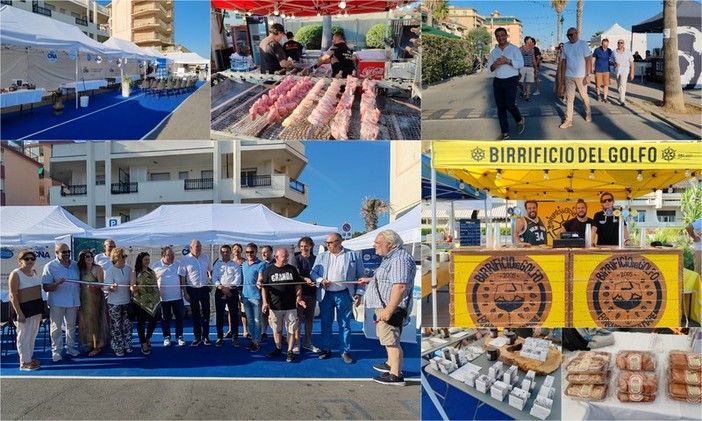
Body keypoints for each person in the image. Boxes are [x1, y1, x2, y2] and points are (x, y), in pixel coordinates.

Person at [359, 230, 416, 386]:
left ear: (389, 244)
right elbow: (390, 279)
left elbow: (400, 286)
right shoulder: (392, 258)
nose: (374, 246)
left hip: (390, 308)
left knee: (391, 342)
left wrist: (388, 310)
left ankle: (395, 375)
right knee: (388, 340)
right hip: (385, 306)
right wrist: (370, 280)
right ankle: (391, 365)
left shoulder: (399, 259)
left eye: (377, 243)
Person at [311, 233, 365, 364]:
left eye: (330, 242)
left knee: (345, 324)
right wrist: (321, 280)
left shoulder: (353, 255)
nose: (327, 245)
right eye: (326, 243)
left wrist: (359, 293)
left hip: (344, 293)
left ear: (340, 242)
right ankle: (326, 349)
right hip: (326, 294)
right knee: (326, 322)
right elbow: (313, 272)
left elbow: (361, 275)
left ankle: (345, 351)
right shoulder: (321, 256)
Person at [262, 248, 306, 363]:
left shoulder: (292, 269)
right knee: (277, 329)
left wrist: (299, 297)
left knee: (291, 329)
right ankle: (278, 348)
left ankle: (290, 351)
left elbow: (298, 285)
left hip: (290, 306)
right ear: (276, 257)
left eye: (287, 256)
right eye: (284, 256)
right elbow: (264, 288)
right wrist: (265, 302)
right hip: (275, 306)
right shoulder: (268, 270)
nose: (286, 258)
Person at [42, 243, 81, 362]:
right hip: (57, 302)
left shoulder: (75, 265)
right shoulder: (50, 266)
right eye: (63, 252)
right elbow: (46, 287)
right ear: (56, 253)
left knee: (72, 327)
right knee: (56, 328)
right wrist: (56, 283)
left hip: (73, 301)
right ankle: (56, 351)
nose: (67, 254)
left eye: (68, 251)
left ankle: (70, 348)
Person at [8, 250, 44, 371]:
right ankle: (24, 362)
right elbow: (13, 295)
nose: (29, 261)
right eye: (26, 259)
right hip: (23, 310)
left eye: (32, 259)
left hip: (35, 309)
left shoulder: (34, 272)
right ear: (20, 261)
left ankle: (29, 358)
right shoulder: (16, 274)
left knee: (32, 336)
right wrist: (19, 313)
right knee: (23, 336)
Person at [487, 27, 525, 140]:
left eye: (502, 35)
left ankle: (519, 119)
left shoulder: (514, 49)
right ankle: (505, 132)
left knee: (509, 104)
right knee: (500, 108)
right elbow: (490, 68)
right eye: (498, 36)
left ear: (506, 36)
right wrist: (495, 65)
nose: (500, 38)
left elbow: (520, 64)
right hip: (498, 81)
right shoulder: (494, 52)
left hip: (511, 79)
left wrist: (507, 61)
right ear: (496, 37)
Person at [178, 239, 212, 346]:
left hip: (204, 289)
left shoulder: (205, 258)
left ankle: (205, 336)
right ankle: (197, 337)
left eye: (200, 246)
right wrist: (185, 292)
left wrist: (210, 281)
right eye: (197, 246)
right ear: (191, 247)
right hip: (192, 290)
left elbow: (211, 270)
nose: (199, 248)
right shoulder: (185, 260)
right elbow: (182, 277)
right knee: (196, 314)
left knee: (206, 313)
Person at [290, 236, 320, 353]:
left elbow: (319, 274)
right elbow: (295, 275)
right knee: (297, 319)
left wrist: (316, 281)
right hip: (299, 294)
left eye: (306, 246)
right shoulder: (295, 259)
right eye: (301, 246)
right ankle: (296, 343)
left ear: (311, 246)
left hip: (312, 293)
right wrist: (306, 279)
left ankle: (307, 343)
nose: (303, 248)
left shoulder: (317, 259)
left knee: (309, 319)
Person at [77, 249, 109, 357]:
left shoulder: (97, 268)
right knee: (86, 322)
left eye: (91, 256)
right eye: (87, 256)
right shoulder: (80, 270)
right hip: (83, 299)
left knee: (96, 321)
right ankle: (90, 343)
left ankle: (97, 346)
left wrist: (94, 285)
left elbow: (101, 284)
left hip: (96, 299)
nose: (89, 258)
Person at [559, 27, 592, 129]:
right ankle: (569, 120)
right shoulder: (566, 46)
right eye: (568, 35)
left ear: (577, 34)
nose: (570, 37)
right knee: (570, 99)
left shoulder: (583, 44)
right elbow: (563, 62)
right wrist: (562, 77)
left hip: (581, 76)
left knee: (583, 96)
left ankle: (588, 113)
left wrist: (588, 75)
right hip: (569, 76)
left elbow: (588, 60)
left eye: (572, 35)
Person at [153, 246, 185, 347]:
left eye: (173, 255)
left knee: (179, 317)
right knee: (165, 318)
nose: (172, 257)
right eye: (169, 255)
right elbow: (153, 282)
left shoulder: (178, 264)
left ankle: (179, 336)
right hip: (163, 298)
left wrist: (185, 293)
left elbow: (182, 280)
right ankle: (166, 337)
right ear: (163, 255)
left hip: (177, 297)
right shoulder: (156, 265)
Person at [104, 247, 133, 356]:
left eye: (125, 256)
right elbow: (105, 287)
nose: (125, 258)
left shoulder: (129, 269)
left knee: (127, 325)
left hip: (127, 302)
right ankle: (117, 346)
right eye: (122, 256)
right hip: (114, 303)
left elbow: (132, 283)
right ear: (116, 258)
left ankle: (127, 344)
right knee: (116, 326)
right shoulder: (110, 271)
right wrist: (111, 288)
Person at [130, 252, 161, 355]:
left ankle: (148, 337)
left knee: (153, 321)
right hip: (140, 302)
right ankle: (143, 343)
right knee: (141, 323)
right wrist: (133, 287)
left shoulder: (152, 272)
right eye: (145, 260)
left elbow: (155, 285)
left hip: (153, 302)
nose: (147, 261)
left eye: (148, 259)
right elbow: (132, 285)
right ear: (140, 260)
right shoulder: (135, 272)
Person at [212, 245, 242, 347]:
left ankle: (235, 337)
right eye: (223, 252)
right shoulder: (217, 264)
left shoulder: (235, 265)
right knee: (220, 316)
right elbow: (214, 279)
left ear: (230, 252)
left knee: (234, 315)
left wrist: (228, 288)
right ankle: (219, 337)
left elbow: (237, 279)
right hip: (220, 291)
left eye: (227, 252)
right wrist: (222, 288)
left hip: (232, 292)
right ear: (221, 253)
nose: (225, 254)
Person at [241, 243, 267, 353]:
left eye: (252, 252)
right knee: (250, 320)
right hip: (245, 296)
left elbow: (261, 277)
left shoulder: (261, 264)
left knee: (257, 320)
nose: (249, 254)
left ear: (256, 252)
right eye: (247, 252)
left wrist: (259, 281)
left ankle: (256, 341)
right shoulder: (244, 264)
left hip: (256, 297)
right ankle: (253, 339)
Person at [231, 243, 249, 339]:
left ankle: (245, 330)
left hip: (243, 289)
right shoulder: (230, 262)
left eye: (238, 250)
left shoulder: (245, 262)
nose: (236, 251)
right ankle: (230, 329)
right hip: (232, 289)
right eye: (235, 249)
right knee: (230, 310)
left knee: (244, 311)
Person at [612, 39, 635, 106]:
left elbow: (632, 62)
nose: (620, 44)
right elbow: (610, 60)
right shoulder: (614, 52)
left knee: (623, 84)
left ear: (623, 44)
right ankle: (620, 95)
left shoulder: (628, 52)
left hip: (625, 70)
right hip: (617, 70)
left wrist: (632, 72)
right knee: (619, 85)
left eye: (621, 43)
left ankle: (622, 100)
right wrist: (614, 64)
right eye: (618, 43)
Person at [260, 244, 274, 340]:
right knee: (264, 313)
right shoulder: (261, 265)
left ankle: (279, 333)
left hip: (275, 294)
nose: (264, 254)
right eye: (262, 252)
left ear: (271, 252)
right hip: (264, 293)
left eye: (266, 252)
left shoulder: (277, 263)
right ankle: (264, 332)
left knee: (275, 315)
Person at [592, 39, 613, 103]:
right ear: (601, 44)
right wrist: (592, 66)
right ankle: (598, 95)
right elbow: (593, 58)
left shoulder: (609, 51)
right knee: (598, 85)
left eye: (606, 45)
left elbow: (612, 59)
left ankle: (605, 98)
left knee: (606, 85)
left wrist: (614, 64)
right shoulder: (597, 50)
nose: (605, 46)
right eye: (604, 45)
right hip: (598, 70)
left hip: (606, 70)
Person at [518, 36, 535, 102]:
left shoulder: (532, 49)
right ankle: (522, 90)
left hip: (530, 67)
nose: (531, 42)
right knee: (519, 82)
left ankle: (527, 96)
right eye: (530, 41)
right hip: (522, 67)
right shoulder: (520, 49)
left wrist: (536, 68)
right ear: (526, 41)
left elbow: (533, 59)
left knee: (528, 82)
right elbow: (518, 58)